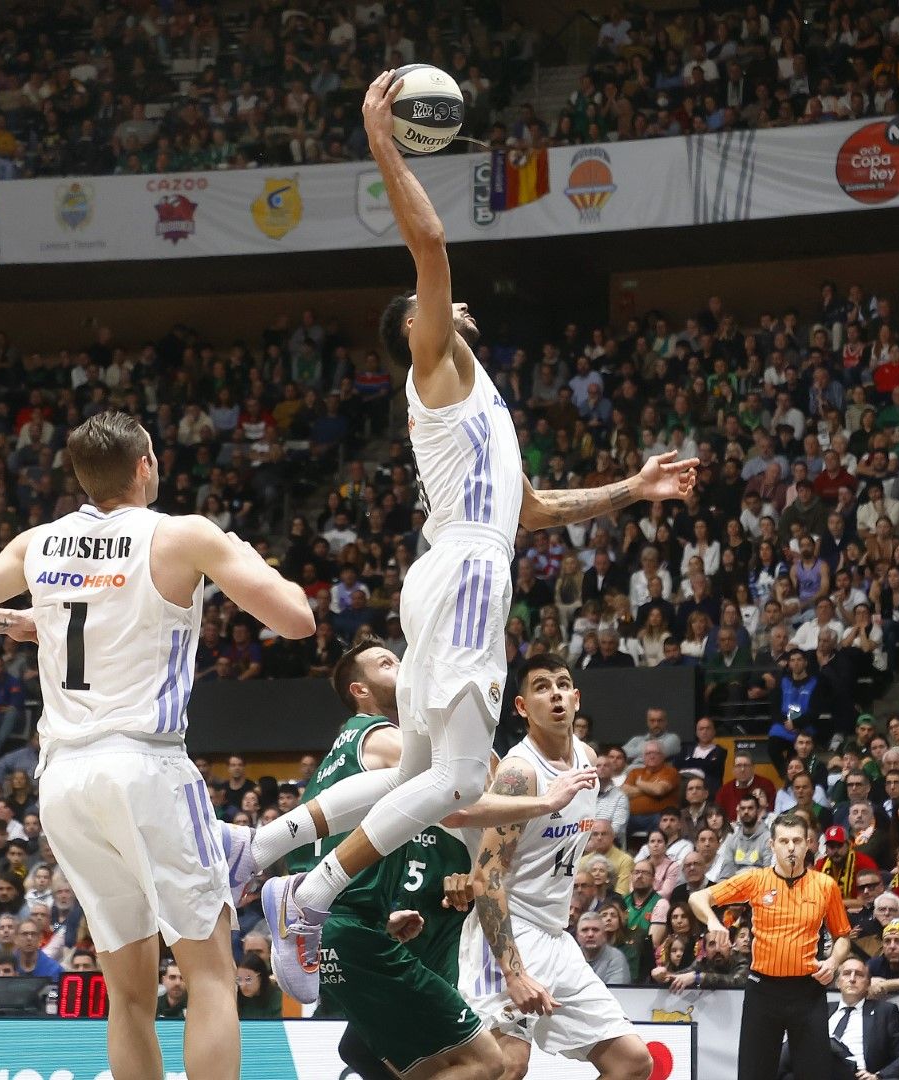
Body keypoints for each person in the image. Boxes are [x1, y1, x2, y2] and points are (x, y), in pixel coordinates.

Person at [250, 73, 696, 995]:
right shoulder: (435, 371)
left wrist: (634, 488)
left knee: (417, 772)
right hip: (463, 577)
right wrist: (382, 142)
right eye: (430, 306)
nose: (450, 305)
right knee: (455, 784)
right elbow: (432, 240)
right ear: (414, 329)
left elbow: (530, 508)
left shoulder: (479, 399)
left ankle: (265, 846)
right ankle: (312, 891)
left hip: (459, 566)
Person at [0, 410, 315, 1080]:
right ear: (145, 465)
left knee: (127, 994)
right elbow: (297, 620)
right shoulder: (180, 534)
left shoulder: (37, 544)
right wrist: (245, 560)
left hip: (65, 780)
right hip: (144, 765)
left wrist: (17, 622)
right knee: (210, 977)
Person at [290, 639, 590, 1080]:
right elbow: (461, 803)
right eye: (387, 663)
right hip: (350, 921)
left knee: (369, 1050)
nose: (403, 667)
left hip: (341, 920)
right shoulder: (390, 742)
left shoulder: (343, 751)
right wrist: (544, 803)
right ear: (360, 689)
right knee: (488, 1063)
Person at [458, 655, 653, 1080]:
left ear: (577, 699)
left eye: (563, 684)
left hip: (554, 935)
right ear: (523, 707)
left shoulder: (587, 758)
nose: (556, 694)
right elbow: (487, 878)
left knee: (632, 1063)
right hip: (508, 933)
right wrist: (515, 973)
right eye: (542, 687)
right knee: (509, 1065)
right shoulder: (519, 773)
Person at [690, 812, 852, 1080]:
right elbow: (698, 897)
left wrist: (833, 962)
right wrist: (713, 922)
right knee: (753, 1074)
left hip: (808, 991)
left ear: (809, 844)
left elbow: (843, 936)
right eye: (784, 841)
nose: (791, 847)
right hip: (762, 991)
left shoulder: (825, 886)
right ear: (772, 845)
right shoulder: (755, 880)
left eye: (797, 841)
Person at [783, 955, 899, 1080]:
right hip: (815, 1069)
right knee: (793, 1047)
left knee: (813, 1042)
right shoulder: (822, 1009)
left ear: (868, 983)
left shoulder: (885, 1011)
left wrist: (879, 1076)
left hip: (853, 1073)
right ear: (838, 982)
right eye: (847, 974)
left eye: (859, 975)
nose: (852, 979)